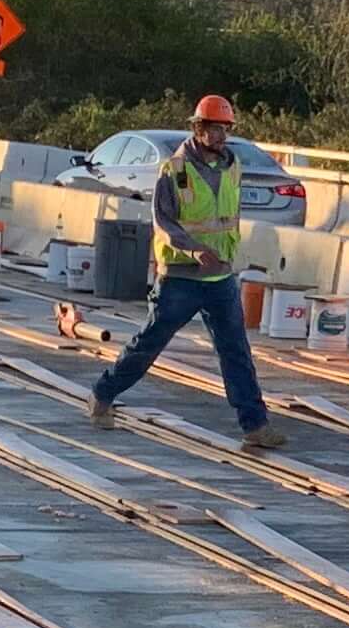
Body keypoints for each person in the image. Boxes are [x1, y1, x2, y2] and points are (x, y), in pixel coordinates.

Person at [89, 93, 290, 449]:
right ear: (198, 129)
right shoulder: (175, 170)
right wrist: (193, 249)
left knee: (236, 352)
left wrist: (222, 255)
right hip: (181, 278)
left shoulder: (232, 167)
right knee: (149, 343)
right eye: (215, 129)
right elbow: (163, 220)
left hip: (221, 277)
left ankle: (255, 426)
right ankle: (103, 393)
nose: (221, 136)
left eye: (225, 129)